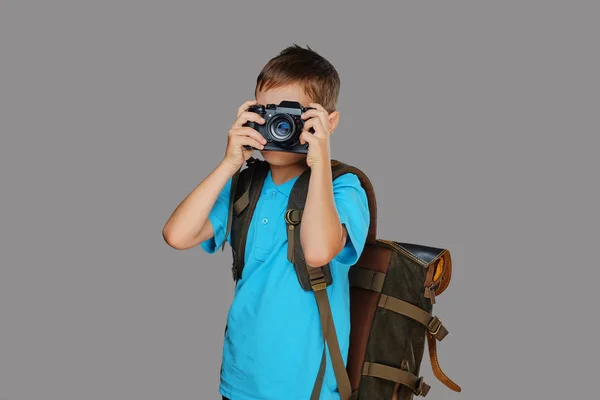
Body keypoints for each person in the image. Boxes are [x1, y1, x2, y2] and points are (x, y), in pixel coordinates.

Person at [162, 44, 370, 400]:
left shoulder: (343, 187)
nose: (279, 125)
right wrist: (229, 163)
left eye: (293, 115)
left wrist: (320, 162)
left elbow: (319, 252)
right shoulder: (245, 184)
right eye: (268, 112)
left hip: (306, 389)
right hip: (239, 381)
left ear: (327, 122)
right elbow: (177, 235)